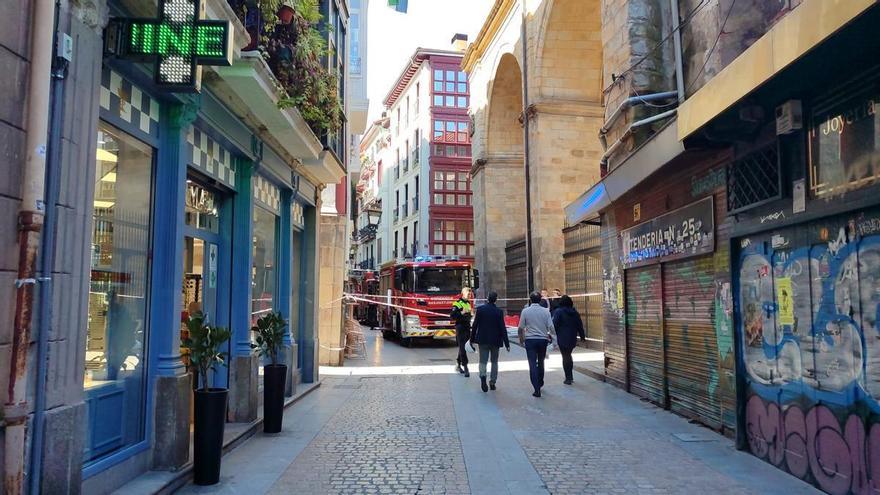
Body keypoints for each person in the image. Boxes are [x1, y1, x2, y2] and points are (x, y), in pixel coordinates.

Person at [470, 291, 509, 392]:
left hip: (483, 339)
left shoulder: (480, 310)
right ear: (496, 299)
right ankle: (492, 382)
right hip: (495, 340)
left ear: (487, 298)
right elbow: (502, 328)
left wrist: (472, 338)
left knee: (483, 361)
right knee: (494, 362)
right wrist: (507, 342)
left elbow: (475, 325)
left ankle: (483, 378)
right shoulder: (499, 312)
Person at [518, 292, 555, 397]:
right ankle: (540, 381)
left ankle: (536, 388)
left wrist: (521, 340)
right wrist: (554, 338)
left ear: (530, 299)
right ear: (540, 300)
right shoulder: (546, 311)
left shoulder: (525, 311)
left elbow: (521, 328)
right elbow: (551, 327)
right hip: (542, 340)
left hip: (530, 340)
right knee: (541, 361)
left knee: (532, 363)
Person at [552, 295, 586, 385]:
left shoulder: (558, 312)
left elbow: (554, 324)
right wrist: (582, 336)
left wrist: (551, 335)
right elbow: (580, 325)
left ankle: (568, 377)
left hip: (562, 337)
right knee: (568, 355)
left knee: (565, 356)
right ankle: (570, 376)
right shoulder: (575, 312)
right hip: (572, 338)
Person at [451, 287, 473, 377]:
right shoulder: (457, 303)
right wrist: (461, 313)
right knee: (463, 347)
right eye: (468, 294)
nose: (469, 295)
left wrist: (471, 315)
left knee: (463, 347)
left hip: (467, 327)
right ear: (463, 293)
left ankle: (458, 364)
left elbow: (469, 315)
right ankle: (466, 367)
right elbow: (452, 316)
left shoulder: (468, 303)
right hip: (460, 327)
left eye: (470, 294)